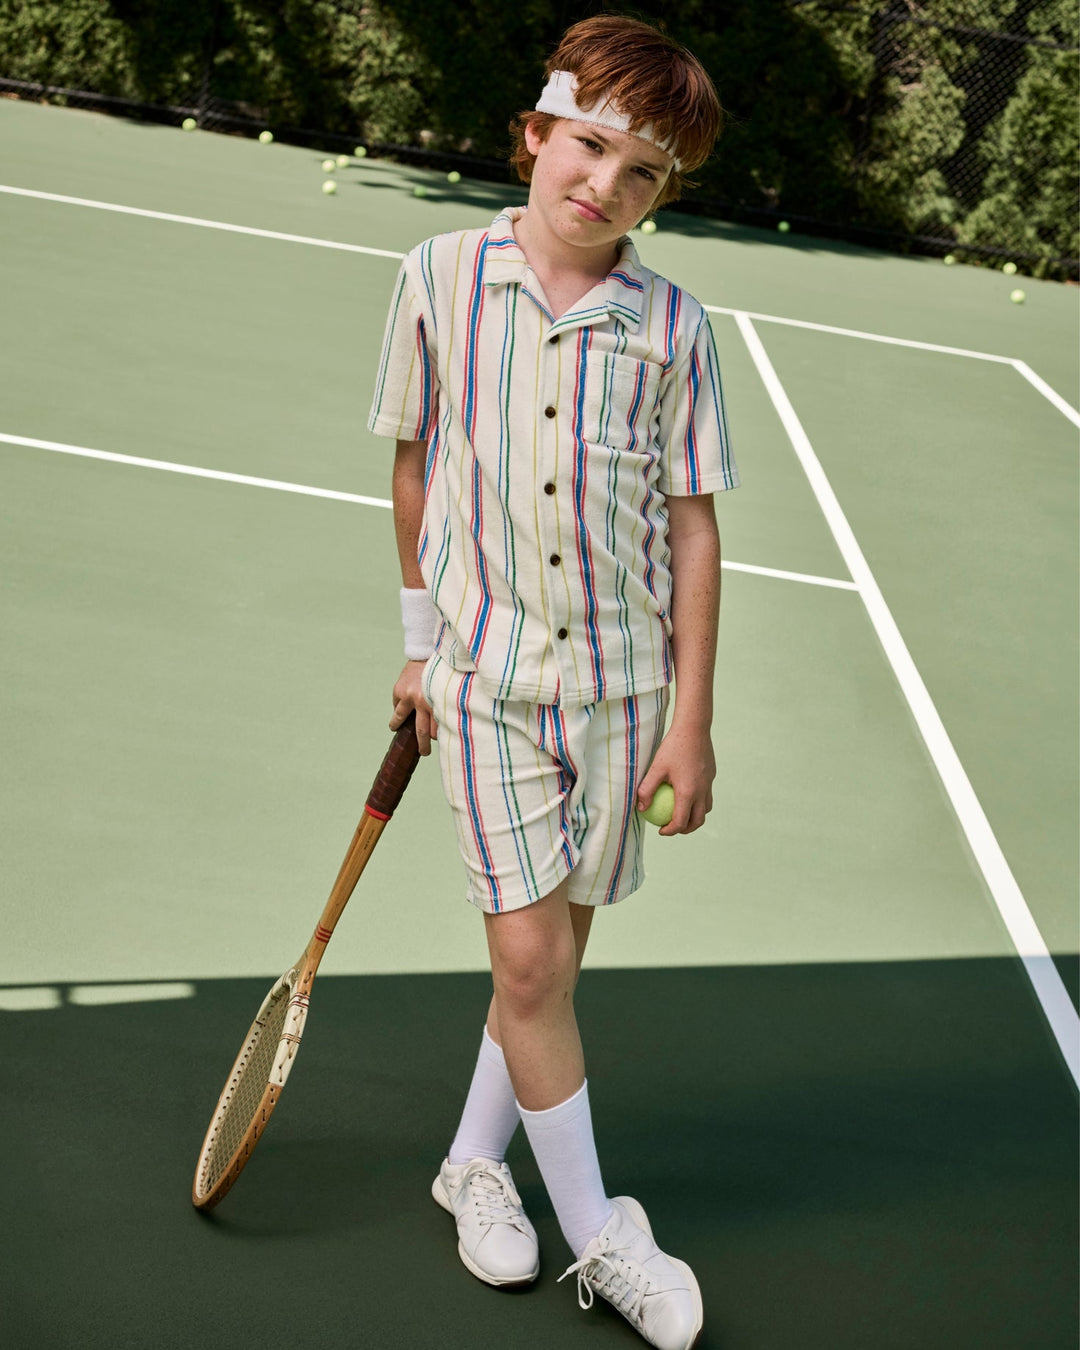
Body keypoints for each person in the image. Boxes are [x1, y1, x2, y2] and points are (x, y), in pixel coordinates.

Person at [368, 15, 737, 1349]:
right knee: (529, 957)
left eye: (644, 172)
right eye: (588, 146)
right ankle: (603, 1235)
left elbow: (692, 526)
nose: (605, 185)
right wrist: (418, 639)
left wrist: (690, 719)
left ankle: (473, 1164)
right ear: (534, 134)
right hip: (484, 682)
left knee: (549, 968)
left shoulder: (678, 326)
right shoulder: (434, 275)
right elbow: (413, 467)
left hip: (628, 694)